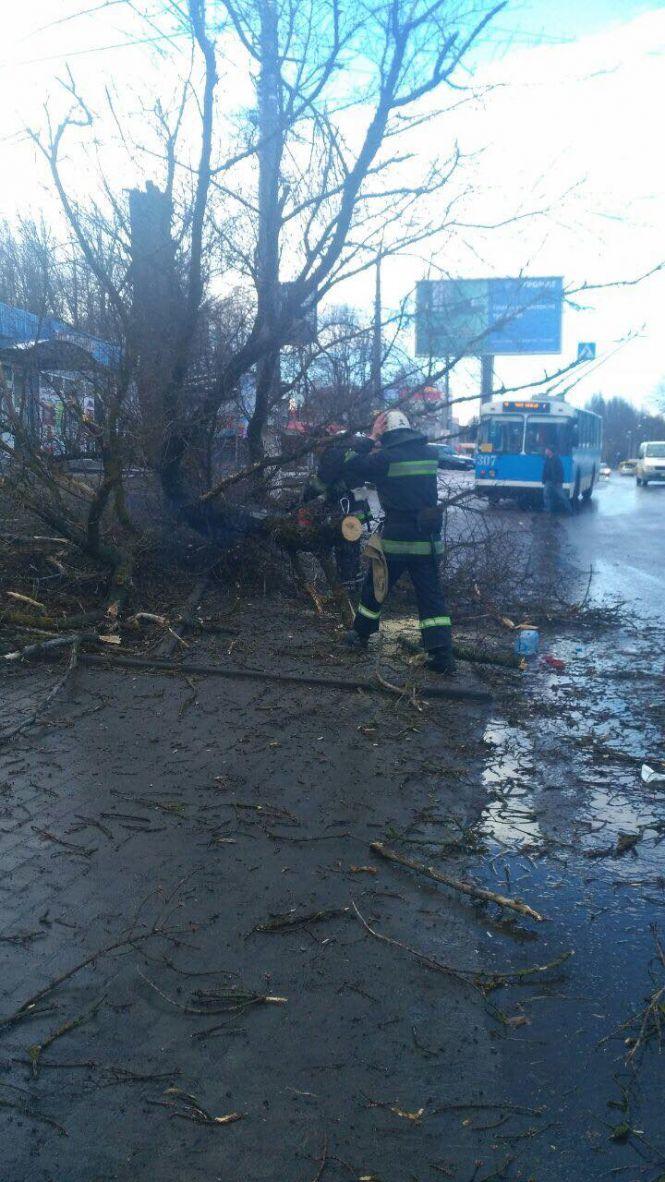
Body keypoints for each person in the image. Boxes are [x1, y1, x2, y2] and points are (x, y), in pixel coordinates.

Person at [340, 409, 455, 675]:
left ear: (388, 433)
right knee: (431, 597)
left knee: (376, 586)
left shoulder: (385, 459)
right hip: (427, 539)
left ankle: (360, 635)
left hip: (397, 540)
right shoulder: (429, 454)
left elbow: (350, 464)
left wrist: (371, 437)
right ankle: (442, 655)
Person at [302, 432, 372, 587]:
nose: (315, 453)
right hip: (357, 506)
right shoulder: (343, 451)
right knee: (351, 547)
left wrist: (303, 498)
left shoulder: (332, 454)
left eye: (315, 449)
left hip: (347, 508)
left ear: (321, 444)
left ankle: (346, 586)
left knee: (344, 546)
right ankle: (354, 582)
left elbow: (322, 483)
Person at [542, 446, 572, 514]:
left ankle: (569, 510)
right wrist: (544, 479)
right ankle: (548, 509)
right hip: (548, 481)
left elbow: (560, 471)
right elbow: (545, 470)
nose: (545, 451)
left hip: (556, 482)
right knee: (546, 495)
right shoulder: (547, 459)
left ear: (550, 451)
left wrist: (559, 481)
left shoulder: (556, 459)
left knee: (562, 497)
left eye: (547, 449)